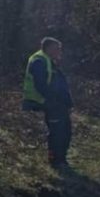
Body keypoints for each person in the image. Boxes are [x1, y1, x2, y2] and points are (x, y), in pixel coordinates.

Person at [22, 37, 73, 168]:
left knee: (65, 129)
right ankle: (55, 160)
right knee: (58, 130)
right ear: (49, 48)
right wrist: (53, 100)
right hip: (43, 101)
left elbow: (59, 84)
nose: (59, 51)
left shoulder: (49, 61)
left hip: (53, 102)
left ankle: (61, 159)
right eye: (57, 48)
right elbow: (41, 85)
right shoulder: (39, 60)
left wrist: (67, 102)